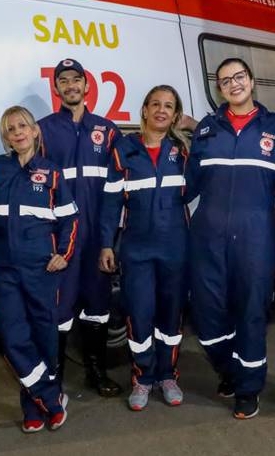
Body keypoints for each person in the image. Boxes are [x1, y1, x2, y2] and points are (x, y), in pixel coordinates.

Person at [184, 58, 275, 419]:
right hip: (208, 236)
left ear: (251, 80)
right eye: (225, 80)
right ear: (219, 89)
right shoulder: (207, 130)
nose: (234, 84)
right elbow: (187, 185)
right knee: (206, 314)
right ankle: (229, 369)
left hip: (255, 236)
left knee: (251, 313)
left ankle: (248, 389)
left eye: (239, 77)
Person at [0, 106, 78, 432]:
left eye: (23, 125)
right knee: (12, 337)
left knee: (44, 337)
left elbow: (70, 218)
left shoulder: (52, 173)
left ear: (35, 131)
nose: (17, 132)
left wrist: (64, 253)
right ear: (5, 137)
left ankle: (33, 406)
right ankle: (51, 397)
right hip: (3, 271)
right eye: (10, 129)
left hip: (41, 270)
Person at [99, 85, 190, 411]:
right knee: (139, 314)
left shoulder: (182, 151)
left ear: (175, 115)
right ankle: (143, 377)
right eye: (156, 104)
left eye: (168, 106)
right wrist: (106, 244)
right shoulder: (124, 150)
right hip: (136, 250)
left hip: (175, 248)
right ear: (145, 110)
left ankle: (167, 376)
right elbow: (111, 202)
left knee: (171, 317)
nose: (161, 110)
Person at [37, 58, 122, 397]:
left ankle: (96, 373)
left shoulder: (107, 130)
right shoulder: (42, 130)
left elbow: (115, 191)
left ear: (87, 86)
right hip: (61, 240)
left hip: (97, 238)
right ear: (56, 87)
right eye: (64, 80)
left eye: (76, 79)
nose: (70, 85)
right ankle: (53, 379)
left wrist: (108, 241)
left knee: (98, 307)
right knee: (59, 309)